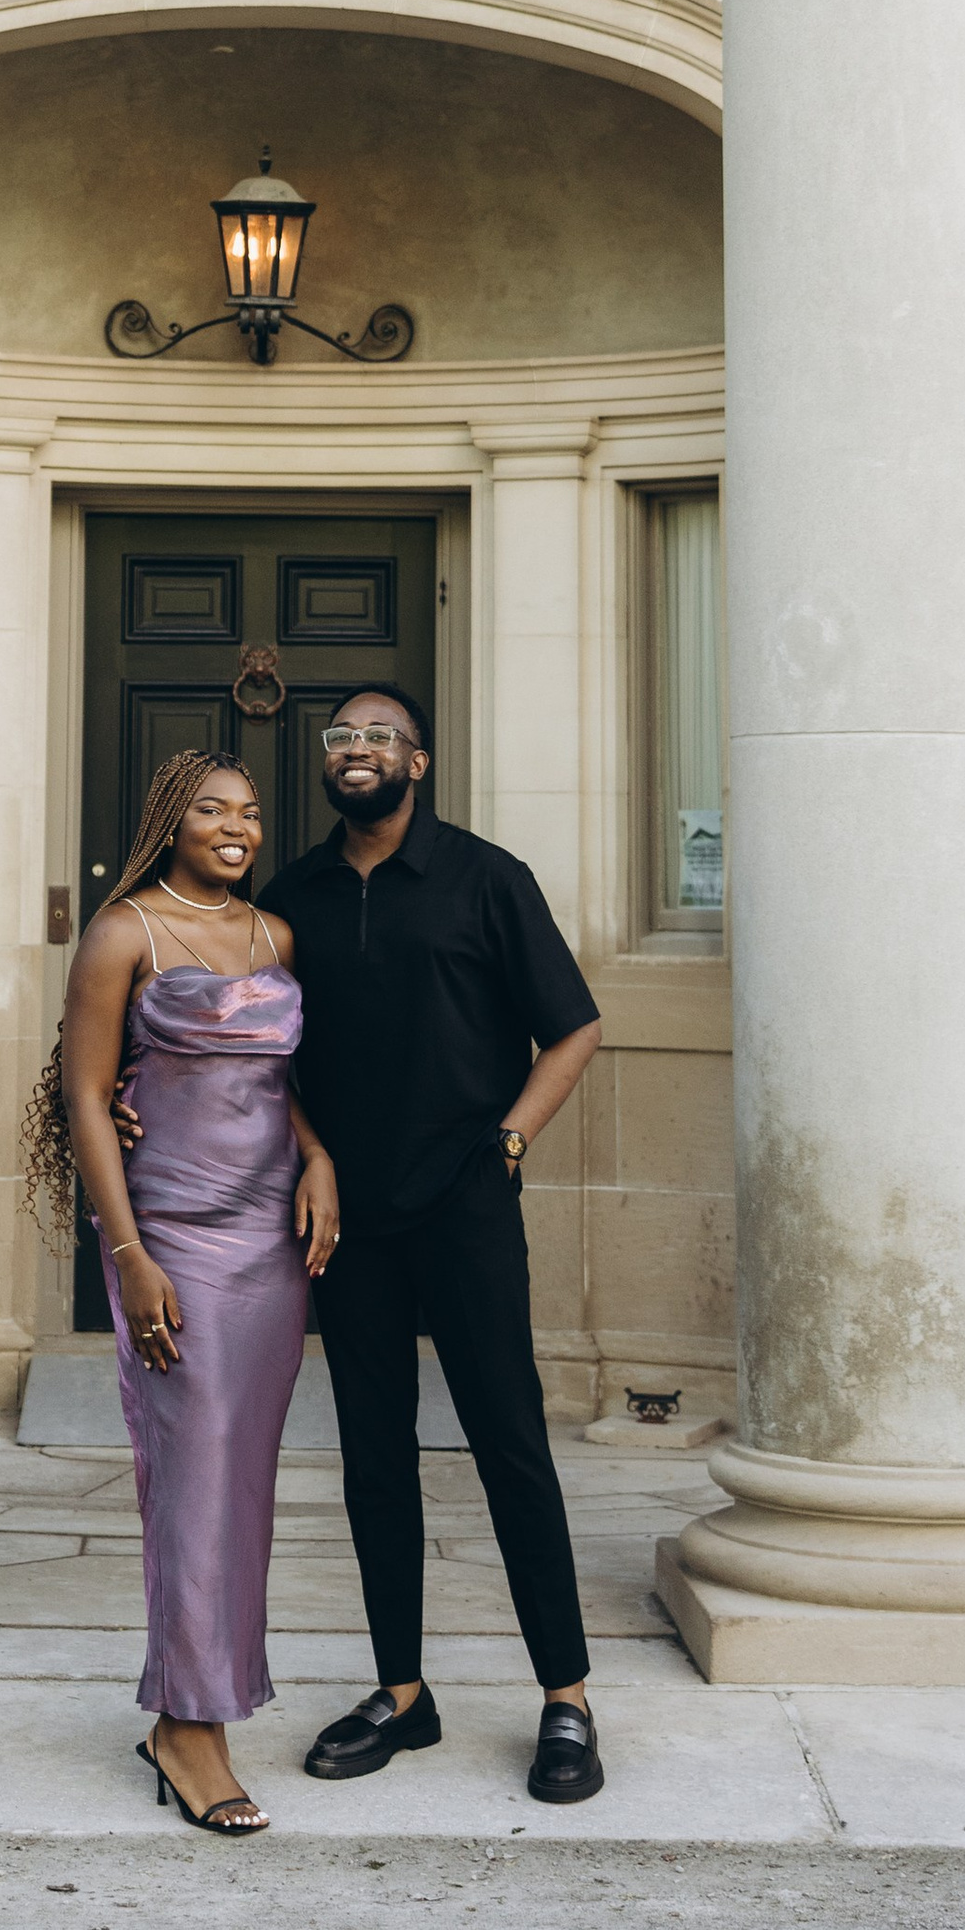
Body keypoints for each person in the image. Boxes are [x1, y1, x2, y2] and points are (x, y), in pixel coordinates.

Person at [273, 687, 606, 1806]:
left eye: (377, 736)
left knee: (510, 1445)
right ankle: (402, 1694)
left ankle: (564, 1696)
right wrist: (311, 1153)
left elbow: (573, 1025)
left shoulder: (485, 878)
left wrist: (506, 1142)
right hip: (346, 1220)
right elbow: (266, 1064)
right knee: (373, 1457)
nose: (355, 750)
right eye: (339, 737)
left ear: (417, 762)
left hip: (463, 1204)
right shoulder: (293, 899)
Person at [21, 749, 340, 1836]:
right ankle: (190, 1730)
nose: (235, 825)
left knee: (242, 1484)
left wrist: (318, 1156)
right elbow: (85, 1094)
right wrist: (127, 1254)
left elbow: (281, 1079)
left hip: (267, 1246)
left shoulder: (274, 937)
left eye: (248, 811)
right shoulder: (125, 933)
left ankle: (195, 1710)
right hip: (174, 1238)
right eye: (211, 809)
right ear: (171, 820)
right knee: (191, 1480)